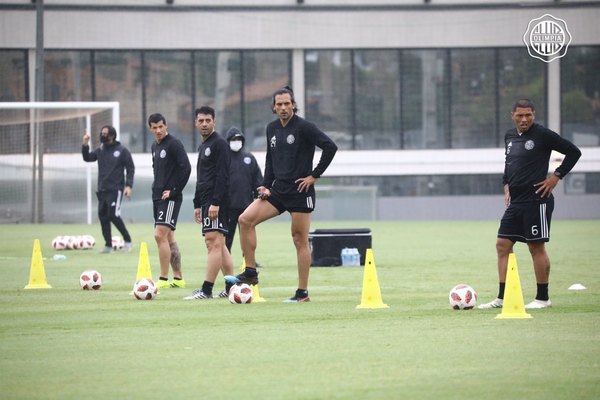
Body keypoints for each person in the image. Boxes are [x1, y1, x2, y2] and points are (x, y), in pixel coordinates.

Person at [226, 86, 338, 303]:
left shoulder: (304, 127)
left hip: (300, 191)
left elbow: (330, 147)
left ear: (294, 105)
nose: (284, 108)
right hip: (278, 190)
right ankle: (250, 272)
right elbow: (270, 159)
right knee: (245, 220)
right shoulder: (272, 129)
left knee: (299, 239)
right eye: (280, 104)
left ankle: (302, 293)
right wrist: (266, 185)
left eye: (287, 104)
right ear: (274, 107)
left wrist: (314, 176)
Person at [478, 99, 581, 310]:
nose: (524, 119)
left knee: (536, 247)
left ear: (534, 114)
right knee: (502, 245)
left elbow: (574, 152)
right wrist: (506, 184)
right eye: (520, 115)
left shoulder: (543, 135)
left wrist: (556, 177)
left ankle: (543, 298)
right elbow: (509, 164)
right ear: (512, 115)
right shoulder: (509, 136)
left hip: (537, 200)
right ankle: (502, 297)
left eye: (528, 115)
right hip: (516, 202)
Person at [184, 106, 235, 300]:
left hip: (216, 202)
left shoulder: (220, 144)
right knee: (219, 246)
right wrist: (198, 204)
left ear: (214, 122)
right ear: (196, 123)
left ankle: (206, 290)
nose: (204, 124)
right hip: (206, 201)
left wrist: (216, 202)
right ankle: (231, 287)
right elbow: (202, 177)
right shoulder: (203, 146)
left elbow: (223, 176)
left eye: (208, 120)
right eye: (201, 121)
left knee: (212, 243)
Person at [148, 113, 192, 290]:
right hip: (157, 196)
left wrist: (174, 191)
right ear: (150, 129)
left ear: (166, 126)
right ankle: (178, 278)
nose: (158, 130)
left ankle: (163, 279)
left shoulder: (174, 144)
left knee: (159, 235)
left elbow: (186, 168)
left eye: (161, 126)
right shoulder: (154, 146)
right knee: (168, 236)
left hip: (170, 198)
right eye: (154, 127)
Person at [82, 125, 134, 253]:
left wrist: (128, 186)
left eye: (105, 133)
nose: (102, 135)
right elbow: (87, 158)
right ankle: (108, 245)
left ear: (112, 135)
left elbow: (130, 168)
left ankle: (128, 241)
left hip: (116, 189)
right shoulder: (100, 150)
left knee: (113, 215)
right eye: (101, 133)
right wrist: (85, 144)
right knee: (103, 216)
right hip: (102, 189)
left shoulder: (122, 150)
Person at [224, 127, 264, 257]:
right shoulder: (223, 159)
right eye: (233, 139)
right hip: (228, 206)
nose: (236, 142)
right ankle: (224, 260)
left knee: (247, 236)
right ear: (228, 141)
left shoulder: (249, 158)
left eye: (238, 139)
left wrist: (259, 197)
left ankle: (249, 261)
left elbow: (258, 181)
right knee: (227, 236)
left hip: (247, 206)